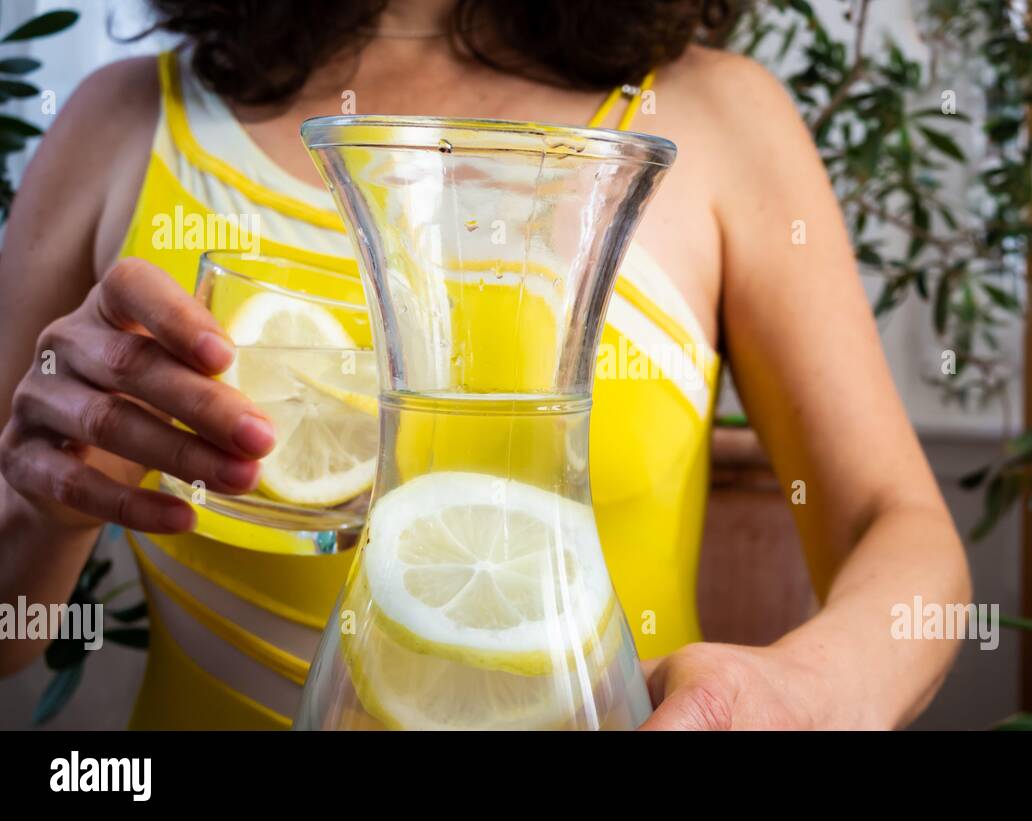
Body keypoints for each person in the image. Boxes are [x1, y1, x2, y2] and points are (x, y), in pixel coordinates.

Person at [0, 0, 969, 729]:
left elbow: (896, 529)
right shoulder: (118, 122)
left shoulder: (719, 116)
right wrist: (40, 508)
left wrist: (802, 692)